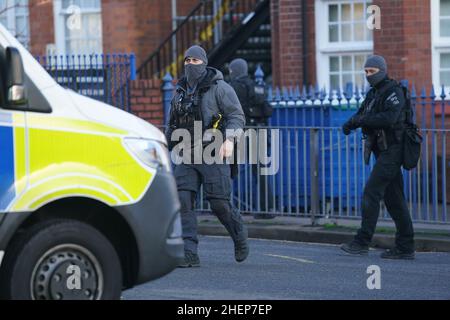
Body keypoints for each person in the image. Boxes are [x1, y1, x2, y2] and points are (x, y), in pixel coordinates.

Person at [166, 45, 249, 267]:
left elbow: (236, 116)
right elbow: (172, 123)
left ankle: (238, 233)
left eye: (195, 60)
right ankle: (189, 252)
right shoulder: (179, 92)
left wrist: (230, 140)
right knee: (183, 201)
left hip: (214, 150)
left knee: (219, 204)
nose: (190, 64)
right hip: (186, 153)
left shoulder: (220, 87)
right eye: (187, 60)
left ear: (203, 62)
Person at [340, 55, 415, 260]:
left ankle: (362, 241)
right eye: (365, 72)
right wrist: (350, 123)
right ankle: (405, 246)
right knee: (395, 200)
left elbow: (389, 118)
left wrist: (361, 120)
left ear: (382, 71)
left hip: (393, 150)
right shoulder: (374, 93)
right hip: (382, 151)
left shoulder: (394, 91)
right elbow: (361, 112)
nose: (368, 75)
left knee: (371, 193)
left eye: (371, 72)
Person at [228, 58, 275, 219]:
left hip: (239, 134)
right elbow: (267, 109)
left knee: (228, 170)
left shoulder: (232, 87)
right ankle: (265, 210)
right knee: (261, 173)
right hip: (259, 132)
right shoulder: (257, 86)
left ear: (234, 71)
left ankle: (229, 207)